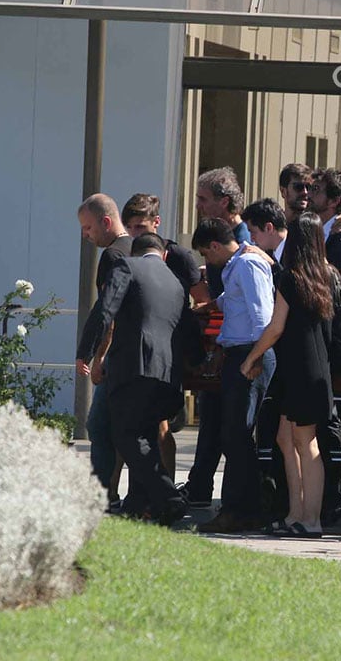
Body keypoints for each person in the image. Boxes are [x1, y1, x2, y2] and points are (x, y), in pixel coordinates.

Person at [76, 233, 187, 525]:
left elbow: (105, 309)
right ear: (163, 255)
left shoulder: (127, 267)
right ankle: (142, 505)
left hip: (135, 368)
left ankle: (169, 498)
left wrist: (86, 351)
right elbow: (185, 327)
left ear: (136, 253)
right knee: (145, 435)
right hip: (168, 374)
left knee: (125, 436)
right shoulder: (175, 282)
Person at [240, 213, 334, 539]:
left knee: (305, 442)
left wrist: (252, 356)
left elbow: (276, 327)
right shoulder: (326, 276)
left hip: (299, 369)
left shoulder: (292, 279)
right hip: (310, 368)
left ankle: (311, 519)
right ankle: (296, 513)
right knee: (286, 438)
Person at [192, 218, 276, 533]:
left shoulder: (247, 265)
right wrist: (210, 305)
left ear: (215, 245)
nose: (206, 261)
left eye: (205, 253)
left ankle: (238, 510)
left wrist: (252, 360)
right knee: (234, 434)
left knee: (237, 434)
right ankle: (244, 508)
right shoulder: (239, 265)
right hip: (244, 353)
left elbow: (262, 317)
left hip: (250, 353)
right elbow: (234, 301)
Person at [119, 193, 207, 483]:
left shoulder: (177, 256)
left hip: (171, 347)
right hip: (135, 348)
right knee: (129, 424)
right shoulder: (125, 255)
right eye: (130, 227)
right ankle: (128, 492)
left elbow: (203, 300)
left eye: (140, 228)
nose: (134, 233)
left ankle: (165, 488)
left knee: (160, 424)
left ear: (156, 223)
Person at [182, 166, 251, 508]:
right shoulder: (228, 245)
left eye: (203, 199)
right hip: (221, 341)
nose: (197, 206)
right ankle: (198, 486)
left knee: (230, 425)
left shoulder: (244, 244)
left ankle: (233, 499)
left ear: (224, 202)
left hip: (239, 346)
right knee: (211, 418)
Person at [75, 193, 135, 507]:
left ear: (106, 222)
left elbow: (109, 312)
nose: (85, 235)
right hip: (139, 355)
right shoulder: (137, 249)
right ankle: (111, 492)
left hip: (116, 353)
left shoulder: (112, 256)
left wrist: (97, 357)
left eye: (88, 228)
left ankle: (100, 493)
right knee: (122, 427)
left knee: (98, 424)